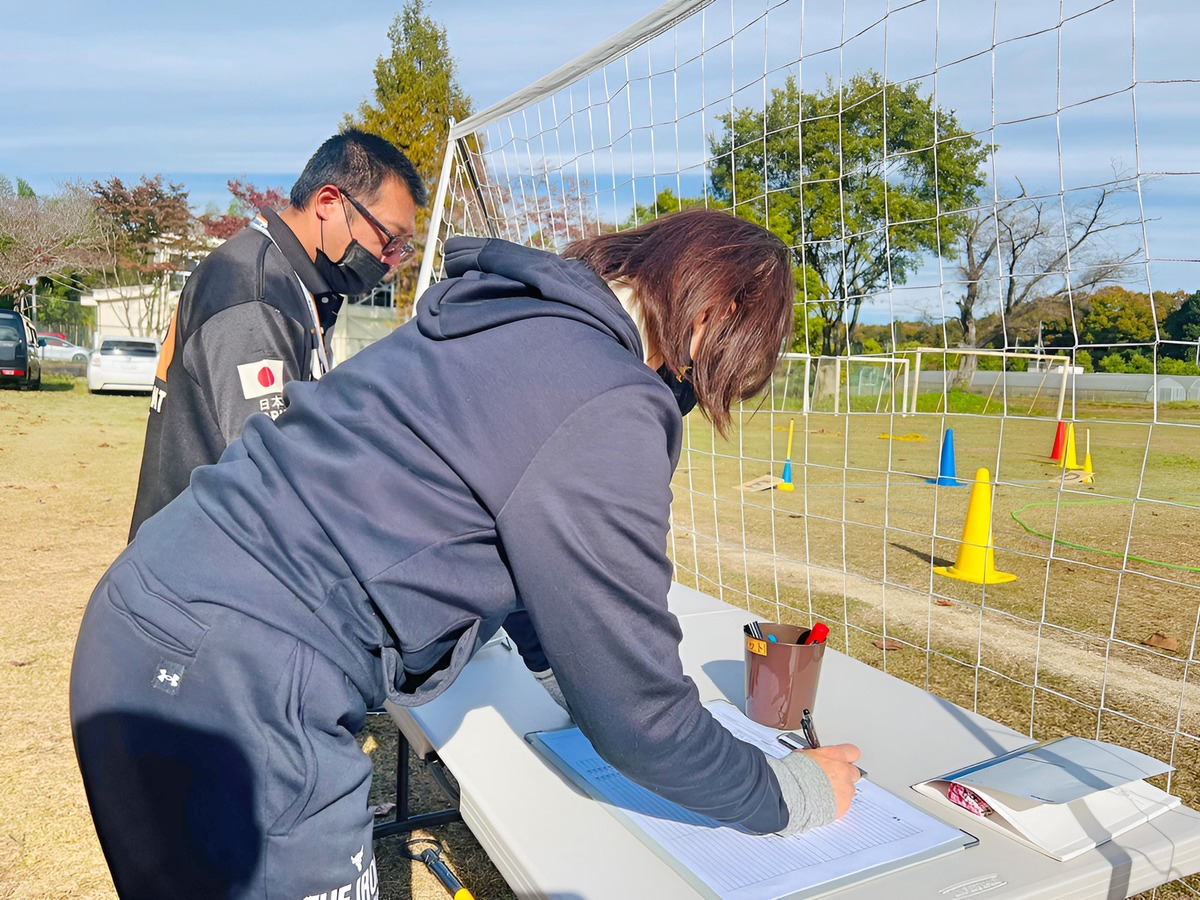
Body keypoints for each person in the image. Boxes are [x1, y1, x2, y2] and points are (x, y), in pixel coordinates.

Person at [71, 208, 862, 900]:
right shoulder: (610, 396)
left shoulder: (506, 318)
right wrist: (791, 791)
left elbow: (514, 523)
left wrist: (560, 669)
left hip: (148, 613)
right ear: (713, 316)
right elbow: (643, 720)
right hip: (239, 680)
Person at [128, 128, 427, 540]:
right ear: (329, 203)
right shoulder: (254, 289)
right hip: (200, 570)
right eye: (390, 239)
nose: (391, 260)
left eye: (402, 248)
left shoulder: (295, 283)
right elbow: (272, 474)